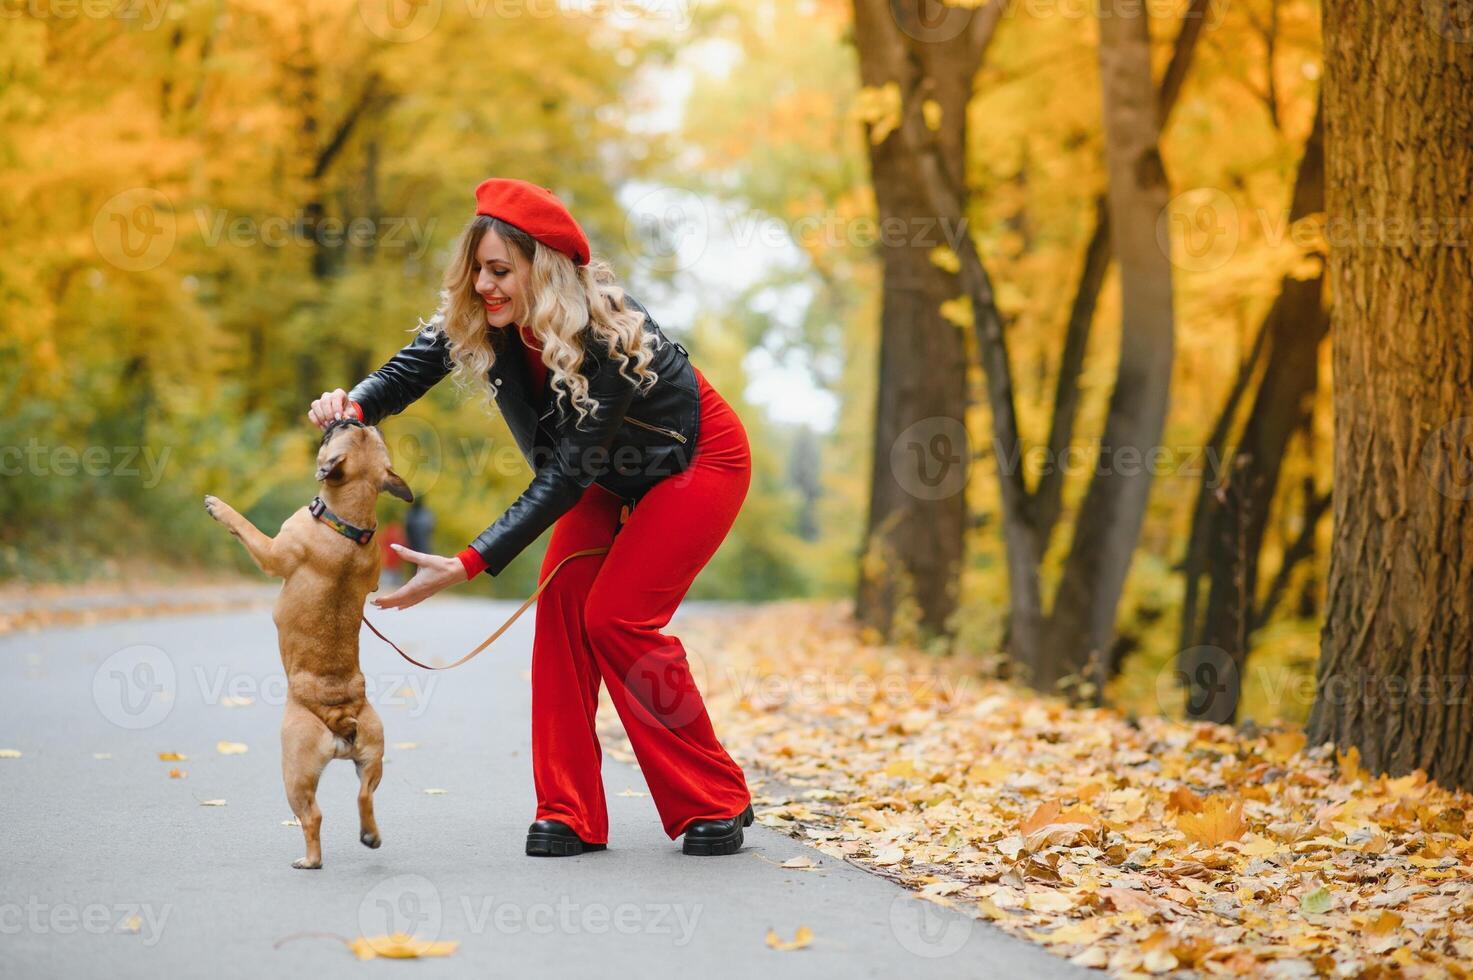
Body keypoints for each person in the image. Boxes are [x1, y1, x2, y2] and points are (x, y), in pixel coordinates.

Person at [307, 177, 754, 857]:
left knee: (618, 618)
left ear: (541, 273)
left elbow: (566, 473)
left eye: (499, 271)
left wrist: (466, 562)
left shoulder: (600, 333)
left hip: (695, 461)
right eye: (476, 269)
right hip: (607, 475)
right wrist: (353, 408)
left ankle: (713, 797)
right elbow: (404, 373)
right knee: (564, 616)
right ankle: (568, 811)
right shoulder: (481, 316)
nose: (483, 284)